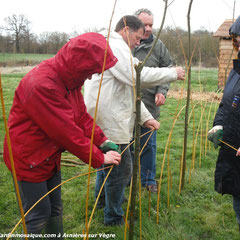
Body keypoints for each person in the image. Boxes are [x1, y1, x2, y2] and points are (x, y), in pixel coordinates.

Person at [3, 32, 121, 238]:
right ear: (79, 65)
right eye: (90, 71)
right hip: (29, 158)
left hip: (48, 156)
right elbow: (66, 132)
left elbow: (80, 116)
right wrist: (99, 158)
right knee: (38, 214)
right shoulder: (43, 85)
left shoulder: (69, 80)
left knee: (55, 209)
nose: (92, 77)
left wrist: (102, 141)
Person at [84, 15, 185, 226]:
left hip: (104, 116)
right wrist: (172, 73)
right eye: (138, 37)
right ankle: (113, 217)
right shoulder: (115, 46)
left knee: (108, 164)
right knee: (121, 170)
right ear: (126, 29)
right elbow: (136, 76)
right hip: (110, 119)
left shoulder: (114, 47)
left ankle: (102, 202)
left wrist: (146, 118)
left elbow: (128, 89)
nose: (139, 42)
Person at [132, 8, 173, 193]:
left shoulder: (158, 45)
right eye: (144, 24)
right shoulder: (126, 44)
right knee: (126, 146)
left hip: (149, 106)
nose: (148, 29)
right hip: (126, 105)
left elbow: (168, 68)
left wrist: (162, 91)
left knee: (148, 145)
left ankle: (148, 180)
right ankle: (125, 179)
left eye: (151, 25)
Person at [208, 16, 240, 231]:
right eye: (237, 42)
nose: (238, 46)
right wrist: (219, 124)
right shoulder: (235, 72)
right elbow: (225, 105)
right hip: (234, 152)